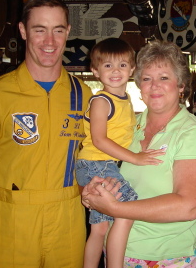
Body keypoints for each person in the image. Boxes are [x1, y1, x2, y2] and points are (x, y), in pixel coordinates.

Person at [0, 0, 93, 268]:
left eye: (58, 30)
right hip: (13, 222)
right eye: (39, 30)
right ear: (22, 30)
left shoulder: (83, 95)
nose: (49, 41)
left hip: (69, 221)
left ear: (68, 32)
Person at [81, 40, 196, 268]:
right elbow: (95, 164)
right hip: (117, 253)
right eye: (147, 79)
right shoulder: (129, 126)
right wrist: (91, 193)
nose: (154, 86)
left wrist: (116, 208)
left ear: (180, 85)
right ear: (138, 85)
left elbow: (189, 205)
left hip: (166, 258)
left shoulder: (189, 131)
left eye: (164, 78)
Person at [76, 38, 163, 268]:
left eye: (122, 65)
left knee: (100, 227)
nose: (116, 71)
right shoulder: (101, 101)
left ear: (132, 69)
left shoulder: (125, 100)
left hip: (101, 164)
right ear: (95, 71)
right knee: (127, 207)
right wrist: (135, 158)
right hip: (97, 163)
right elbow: (99, 139)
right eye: (108, 66)